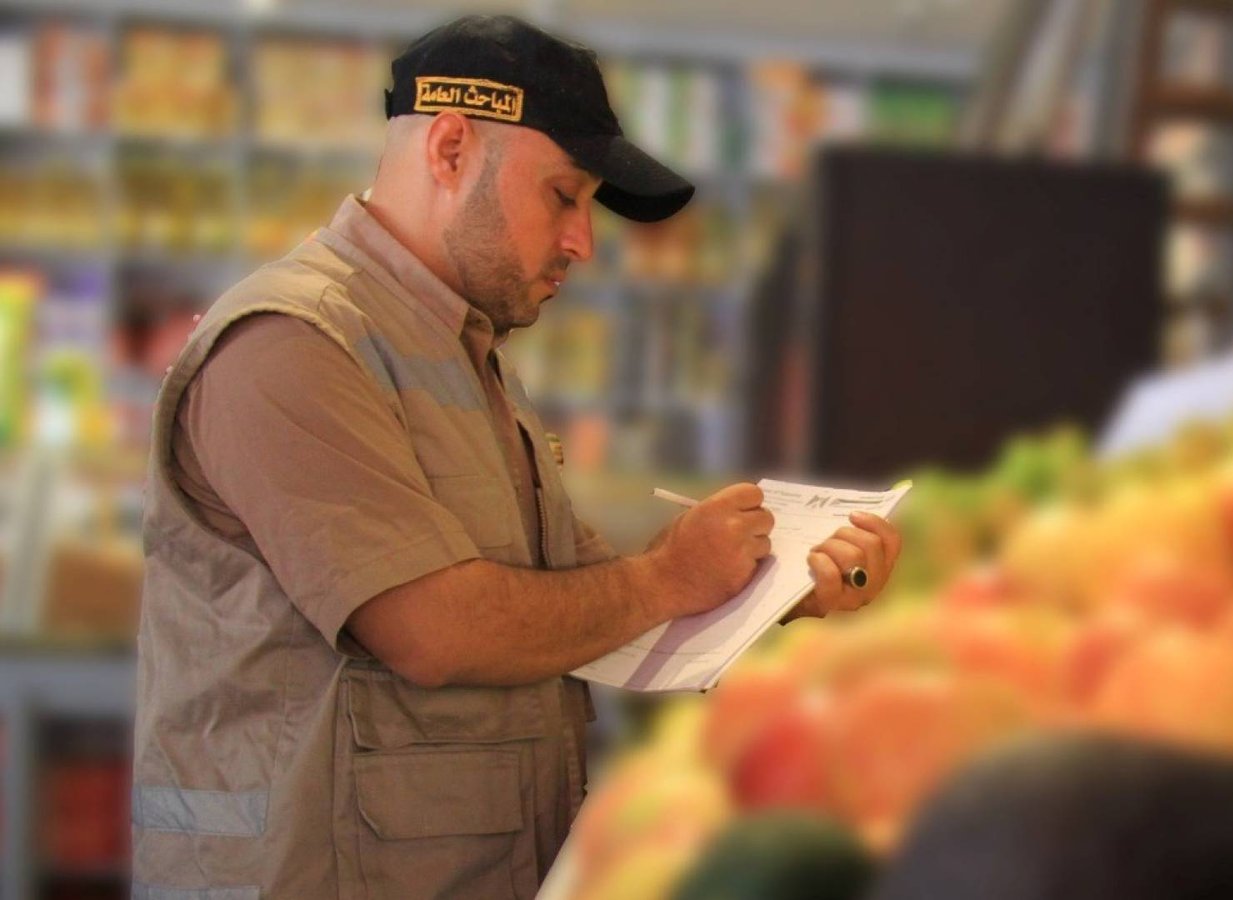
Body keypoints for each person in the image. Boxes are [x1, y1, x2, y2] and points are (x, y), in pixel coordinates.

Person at [131, 15, 901, 898]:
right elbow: (434, 632)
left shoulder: (459, 354)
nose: (583, 241)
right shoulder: (292, 343)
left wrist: (774, 586)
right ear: (451, 149)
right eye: (564, 196)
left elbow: (572, 609)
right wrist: (668, 577)